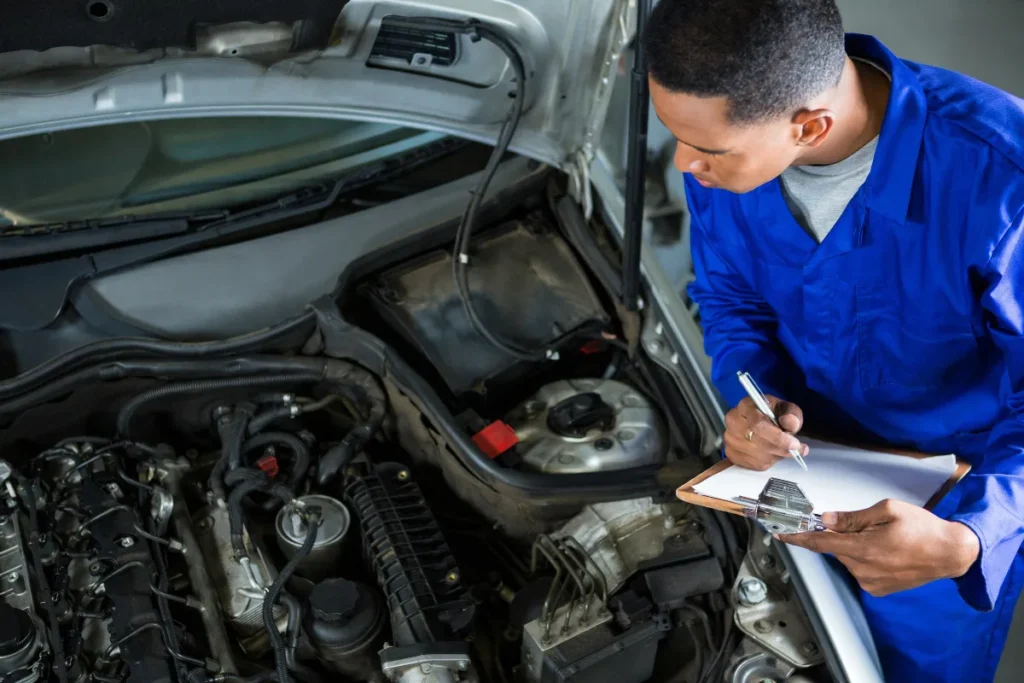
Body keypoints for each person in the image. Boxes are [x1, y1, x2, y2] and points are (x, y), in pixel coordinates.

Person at [643, 0, 1024, 681]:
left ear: (809, 126)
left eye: (706, 149)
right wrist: (751, 394)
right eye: (675, 133)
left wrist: (973, 537)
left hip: (940, 520)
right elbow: (730, 300)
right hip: (792, 483)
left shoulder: (1003, 180)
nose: (684, 163)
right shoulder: (725, 155)